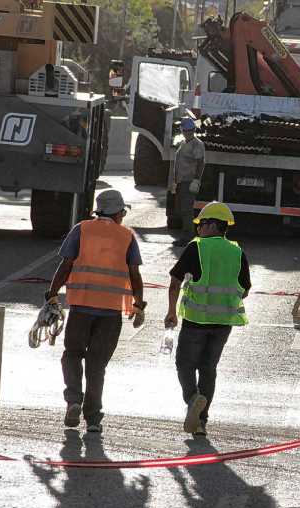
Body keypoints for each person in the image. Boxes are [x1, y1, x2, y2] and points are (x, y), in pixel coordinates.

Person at [46, 190, 146, 434]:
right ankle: (92, 419)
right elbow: (134, 273)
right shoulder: (126, 236)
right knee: (96, 365)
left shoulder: (82, 229)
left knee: (72, 355)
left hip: (81, 307)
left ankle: (73, 401)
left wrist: (51, 293)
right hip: (111, 312)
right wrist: (139, 304)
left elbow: (66, 264)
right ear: (120, 213)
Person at [164, 202, 251, 436]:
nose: (198, 229)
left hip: (195, 321)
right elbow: (244, 289)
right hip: (223, 324)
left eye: (201, 224)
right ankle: (201, 422)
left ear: (212, 225)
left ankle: (193, 400)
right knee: (208, 369)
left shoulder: (197, 248)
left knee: (184, 364)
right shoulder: (237, 251)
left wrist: (171, 312)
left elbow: (174, 283)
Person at [169, 117, 206, 247]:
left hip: (189, 181)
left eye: (189, 130)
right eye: (185, 130)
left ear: (193, 130)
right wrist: (175, 182)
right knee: (181, 210)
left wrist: (196, 180)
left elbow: (201, 163)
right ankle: (186, 235)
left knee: (186, 210)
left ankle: (187, 237)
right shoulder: (184, 143)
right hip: (181, 181)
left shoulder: (197, 144)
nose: (187, 132)